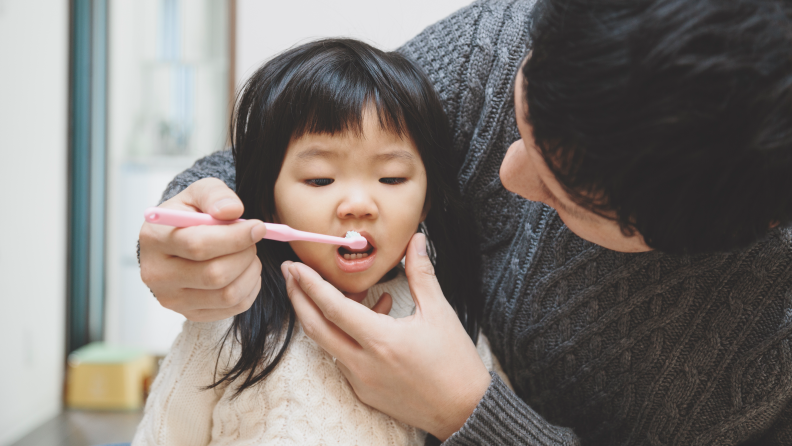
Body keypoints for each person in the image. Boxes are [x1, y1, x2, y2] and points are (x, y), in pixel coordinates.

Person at [138, 0, 792, 444]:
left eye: (566, 196)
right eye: (523, 106)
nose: (504, 174)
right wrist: (189, 224)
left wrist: (469, 414)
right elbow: (283, 146)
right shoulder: (501, 43)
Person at [133, 39, 507, 445]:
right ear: (270, 204)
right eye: (320, 180)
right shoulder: (227, 324)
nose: (359, 205)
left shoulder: (447, 329)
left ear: (426, 202)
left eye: (392, 178)